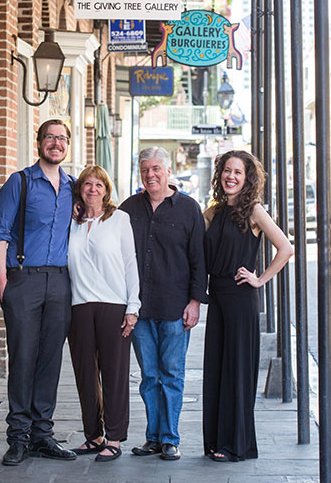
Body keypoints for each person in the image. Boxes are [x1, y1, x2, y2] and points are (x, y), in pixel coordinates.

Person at [0, 119, 77, 466]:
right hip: (23, 280)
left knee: (51, 359)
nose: (55, 143)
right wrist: (2, 284)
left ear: (67, 145)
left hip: (60, 281)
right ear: (39, 142)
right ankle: (18, 438)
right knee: (23, 358)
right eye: (50, 138)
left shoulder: (73, 186)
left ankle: (43, 435)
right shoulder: (20, 182)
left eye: (61, 138)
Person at [203, 150, 293, 463]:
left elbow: (285, 248)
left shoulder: (254, 210)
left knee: (237, 372)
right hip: (216, 298)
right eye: (227, 171)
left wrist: (260, 279)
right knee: (217, 368)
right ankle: (217, 441)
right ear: (220, 175)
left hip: (241, 298)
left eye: (238, 172)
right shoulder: (213, 212)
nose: (231, 177)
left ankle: (235, 445)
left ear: (247, 178)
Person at [120, 147, 208, 461]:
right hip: (139, 310)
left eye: (156, 168)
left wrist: (195, 302)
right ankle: (153, 438)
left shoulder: (188, 208)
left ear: (168, 171)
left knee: (172, 375)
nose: (150, 175)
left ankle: (170, 438)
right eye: (145, 170)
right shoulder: (128, 209)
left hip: (175, 308)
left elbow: (199, 260)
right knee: (149, 378)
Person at [67, 166, 140, 462]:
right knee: (85, 373)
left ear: (107, 190)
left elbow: (130, 262)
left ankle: (114, 437)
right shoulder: (70, 221)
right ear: (80, 189)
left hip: (114, 305)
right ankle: (93, 436)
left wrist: (133, 307)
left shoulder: (120, 219)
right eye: (87, 184)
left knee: (114, 373)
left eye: (99, 184)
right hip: (79, 305)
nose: (93, 189)